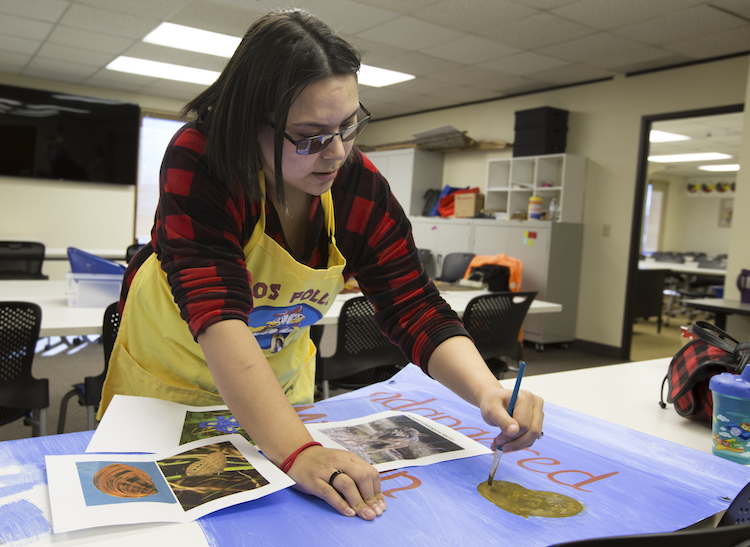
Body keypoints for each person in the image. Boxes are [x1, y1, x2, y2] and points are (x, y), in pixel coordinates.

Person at [98, 8, 544, 522]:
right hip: (169, 381)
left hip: (274, 390)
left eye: (348, 126)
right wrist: (299, 451)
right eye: (309, 136)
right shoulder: (203, 160)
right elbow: (218, 312)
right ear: (250, 124)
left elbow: (414, 304)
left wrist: (487, 389)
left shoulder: (357, 184)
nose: (335, 154)